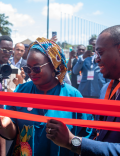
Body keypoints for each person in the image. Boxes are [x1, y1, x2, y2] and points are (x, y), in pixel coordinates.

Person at [0, 37, 93, 156]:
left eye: (37, 68)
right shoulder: (21, 91)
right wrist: (3, 125)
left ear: (54, 66)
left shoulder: (73, 96)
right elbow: (12, 134)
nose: (31, 73)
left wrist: (69, 140)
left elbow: (86, 139)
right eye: (28, 68)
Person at [46, 25, 120, 156]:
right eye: (96, 53)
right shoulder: (105, 90)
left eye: (101, 52)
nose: (97, 59)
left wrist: (72, 141)